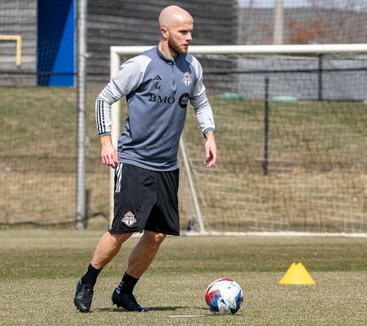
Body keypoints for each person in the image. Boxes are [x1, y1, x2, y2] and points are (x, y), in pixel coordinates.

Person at [74, 5, 217, 312]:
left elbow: (201, 102)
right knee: (123, 230)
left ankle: (124, 291)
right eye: (183, 31)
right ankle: (88, 281)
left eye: (191, 31)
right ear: (164, 32)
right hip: (136, 161)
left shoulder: (192, 67)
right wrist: (106, 141)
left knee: (157, 235)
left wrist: (209, 135)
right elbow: (104, 98)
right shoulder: (139, 65)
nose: (190, 37)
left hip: (168, 166)